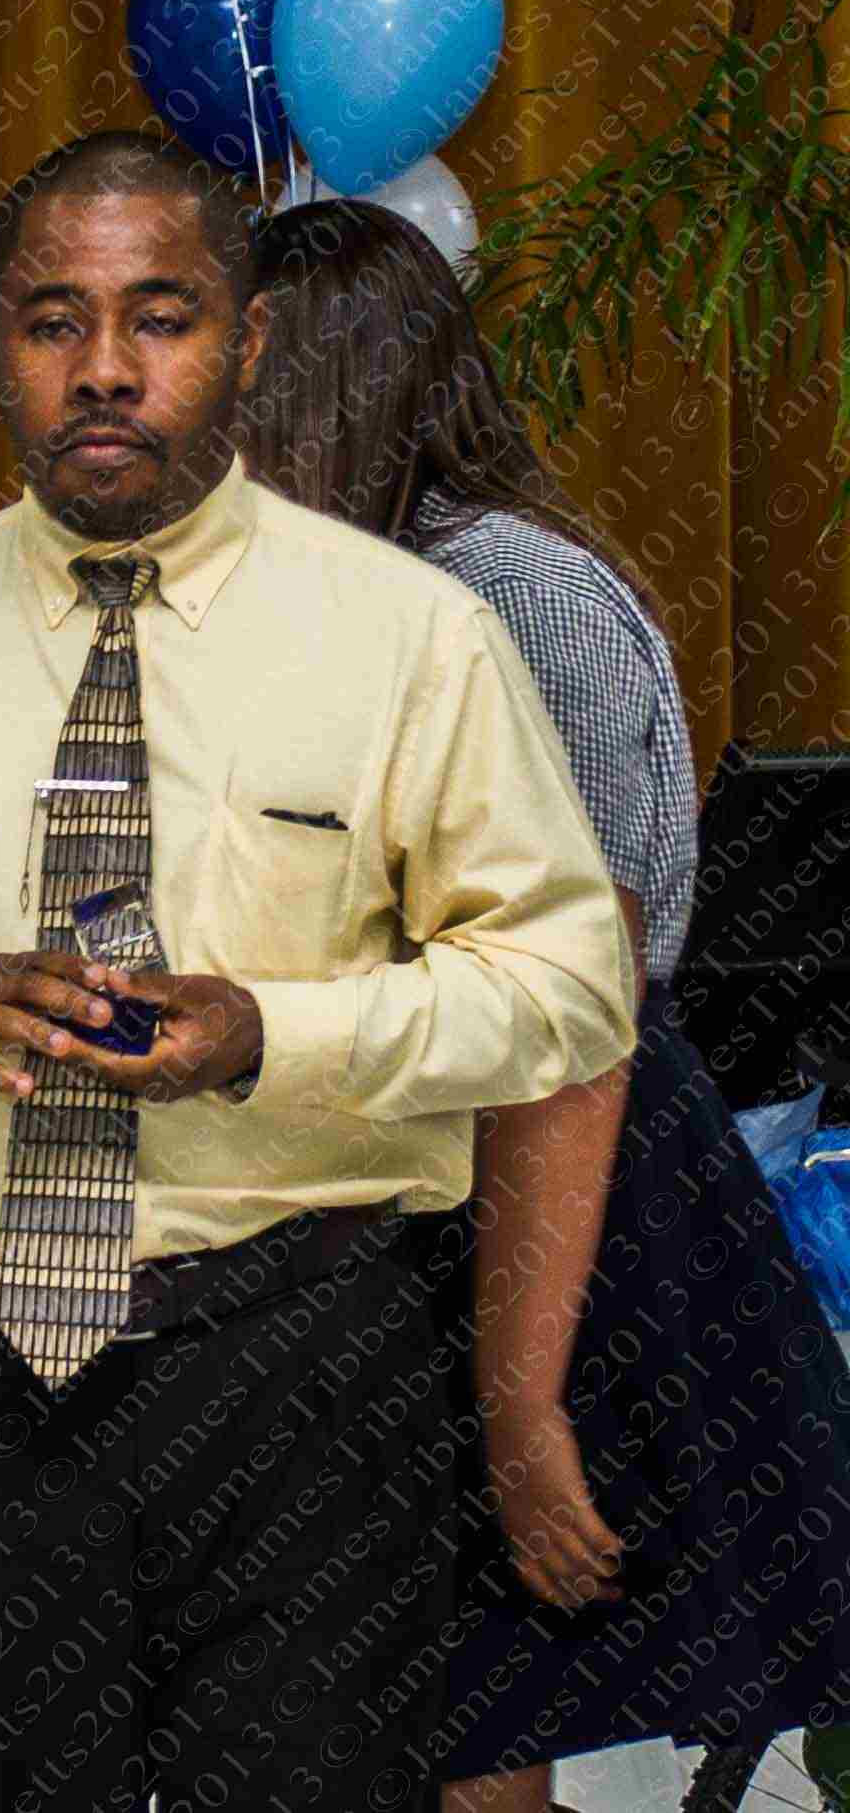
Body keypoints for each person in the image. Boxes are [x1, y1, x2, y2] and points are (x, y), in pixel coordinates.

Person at [0, 130, 638, 1813]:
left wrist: (275, 1035)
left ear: (246, 344)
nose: (103, 368)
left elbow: (564, 986)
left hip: (307, 1371)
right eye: (54, 321)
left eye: (160, 317)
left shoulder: (412, 643)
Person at [241, 195, 850, 1813]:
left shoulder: (516, 596)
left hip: (562, 1194)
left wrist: (522, 1394)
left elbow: (564, 995)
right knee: (427, 1713)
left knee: (475, 1706)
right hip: (415, 1185)